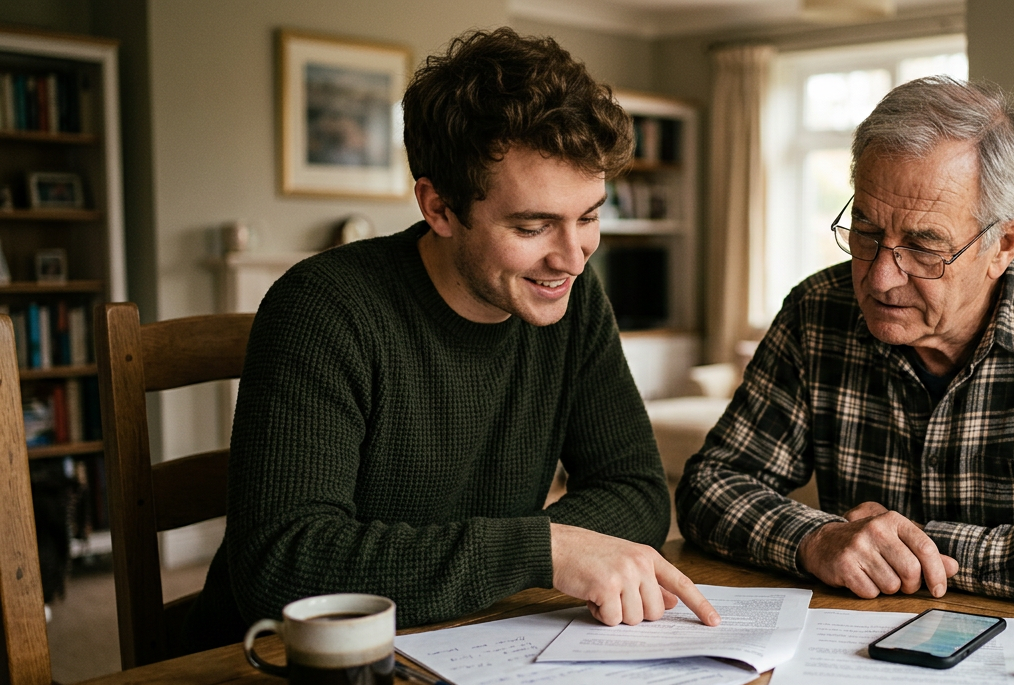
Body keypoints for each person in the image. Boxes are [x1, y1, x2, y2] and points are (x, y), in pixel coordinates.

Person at [184, 28, 719, 653]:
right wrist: (540, 550)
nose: (572, 258)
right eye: (532, 225)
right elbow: (282, 564)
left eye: (590, 215)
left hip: (474, 640)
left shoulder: (571, 300)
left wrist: (521, 560)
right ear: (437, 207)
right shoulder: (324, 310)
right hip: (284, 670)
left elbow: (638, 494)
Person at [677, 76, 1014, 615]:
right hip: (854, 650)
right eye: (865, 231)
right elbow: (710, 486)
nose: (881, 277)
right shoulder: (817, 310)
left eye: (923, 244)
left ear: (1003, 244)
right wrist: (818, 540)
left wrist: (923, 547)